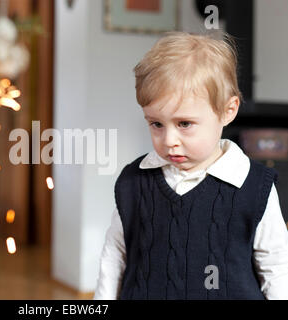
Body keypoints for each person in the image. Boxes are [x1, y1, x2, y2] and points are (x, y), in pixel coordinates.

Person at [94, 31, 288, 300]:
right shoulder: (133, 182)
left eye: (184, 124)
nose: (169, 140)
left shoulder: (255, 186)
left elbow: (276, 268)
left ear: (227, 111)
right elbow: (115, 255)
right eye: (156, 124)